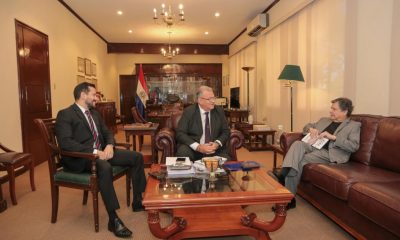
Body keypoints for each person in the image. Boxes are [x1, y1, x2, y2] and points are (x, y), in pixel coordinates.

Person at [55, 82, 146, 238]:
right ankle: (113, 219)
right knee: (104, 167)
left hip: (104, 152)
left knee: (136, 157)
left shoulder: (95, 113)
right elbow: (66, 143)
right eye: (94, 94)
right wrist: (95, 152)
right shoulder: (65, 114)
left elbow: (108, 132)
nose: (96, 97)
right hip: (82, 158)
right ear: (83, 95)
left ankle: (138, 201)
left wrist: (110, 145)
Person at [275, 97, 361, 209]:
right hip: (314, 146)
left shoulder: (354, 126)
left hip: (329, 153)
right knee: (297, 144)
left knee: (299, 161)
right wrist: (310, 129)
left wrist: (333, 137)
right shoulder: (324, 120)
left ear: (344, 112)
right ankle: (284, 173)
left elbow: (353, 146)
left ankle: (288, 197)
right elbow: (306, 126)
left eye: (334, 109)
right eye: (331, 108)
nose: (331, 111)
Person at [176, 86, 231, 161]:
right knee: (183, 152)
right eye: (210, 99)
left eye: (214, 98)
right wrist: (198, 147)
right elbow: (180, 133)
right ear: (200, 100)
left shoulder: (219, 111)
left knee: (226, 160)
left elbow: (226, 131)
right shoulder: (189, 111)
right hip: (194, 149)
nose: (213, 101)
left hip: (215, 150)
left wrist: (217, 143)